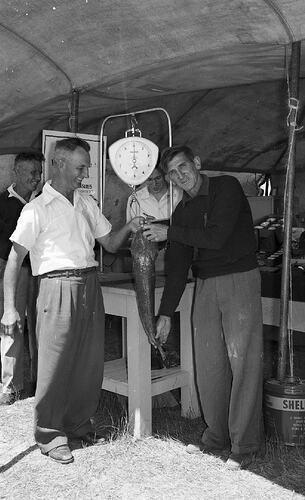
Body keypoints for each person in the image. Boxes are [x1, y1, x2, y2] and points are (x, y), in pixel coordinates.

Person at [1, 137, 143, 465]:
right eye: (80, 167)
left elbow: (108, 242)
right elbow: (13, 259)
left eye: (86, 167)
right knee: (54, 365)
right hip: (55, 287)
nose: (85, 173)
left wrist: (131, 226)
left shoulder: (85, 202)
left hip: (90, 285)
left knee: (89, 363)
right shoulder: (36, 209)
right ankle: (50, 434)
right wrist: (10, 307)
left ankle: (79, 428)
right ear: (59, 164)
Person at [143, 145, 264, 469]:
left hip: (240, 278)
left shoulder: (226, 186)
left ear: (197, 163)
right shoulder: (182, 212)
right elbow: (179, 268)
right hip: (206, 285)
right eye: (171, 172)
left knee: (244, 362)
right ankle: (216, 437)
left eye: (182, 167)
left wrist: (169, 230)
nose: (178, 176)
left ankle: (245, 443)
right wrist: (166, 313)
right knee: (209, 363)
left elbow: (218, 236)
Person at [0, 152, 44, 405]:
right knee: (11, 325)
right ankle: (11, 386)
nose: (36, 178)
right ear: (15, 171)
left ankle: (41, 381)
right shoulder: (2, 202)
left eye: (38, 172)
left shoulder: (43, 203)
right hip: (13, 272)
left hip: (41, 272)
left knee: (41, 327)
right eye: (31, 172)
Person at [126, 166, 182, 272]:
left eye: (158, 178)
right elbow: (131, 231)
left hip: (176, 249)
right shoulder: (135, 199)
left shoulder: (178, 194)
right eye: (150, 180)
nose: (154, 183)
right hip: (149, 253)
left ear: (165, 176)